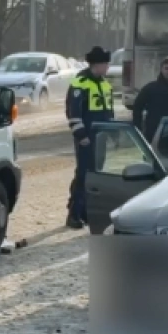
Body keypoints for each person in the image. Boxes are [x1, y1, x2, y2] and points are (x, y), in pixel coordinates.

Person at [65, 46, 115, 230]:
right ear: (98, 64)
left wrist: (113, 132)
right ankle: (74, 213)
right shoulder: (80, 83)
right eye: (106, 64)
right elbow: (73, 113)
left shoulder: (104, 83)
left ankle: (87, 212)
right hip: (87, 137)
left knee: (95, 176)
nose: (108, 67)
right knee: (84, 175)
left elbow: (109, 111)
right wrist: (81, 135)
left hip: (101, 136)